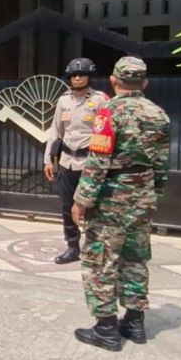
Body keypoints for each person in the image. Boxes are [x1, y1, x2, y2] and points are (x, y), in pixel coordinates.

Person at [70, 57, 170, 351]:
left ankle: (106, 329)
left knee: (101, 261)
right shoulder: (159, 114)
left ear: (114, 81)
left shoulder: (108, 112)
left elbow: (98, 161)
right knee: (136, 259)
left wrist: (81, 200)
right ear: (145, 83)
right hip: (143, 197)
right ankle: (135, 322)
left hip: (111, 199)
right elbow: (162, 164)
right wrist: (154, 195)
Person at [44, 57, 111, 264]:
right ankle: (72, 247)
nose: (78, 77)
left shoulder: (100, 100)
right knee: (67, 207)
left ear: (90, 76)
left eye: (82, 74)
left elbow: (106, 132)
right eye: (74, 75)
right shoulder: (64, 100)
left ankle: (94, 248)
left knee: (92, 207)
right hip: (67, 162)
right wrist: (48, 159)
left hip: (90, 163)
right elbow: (55, 131)